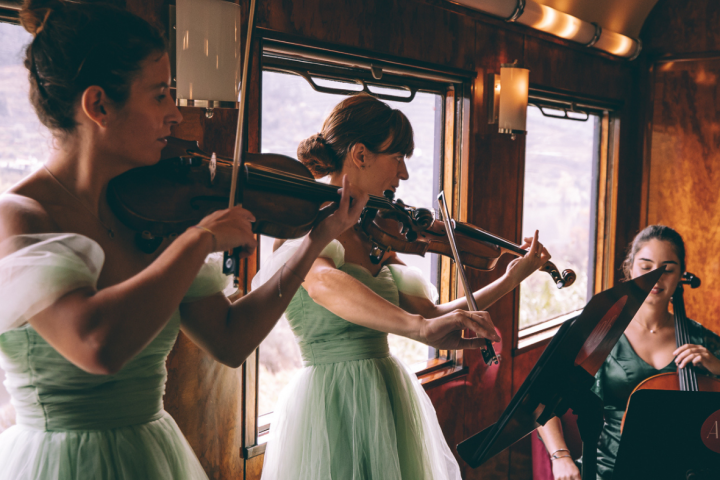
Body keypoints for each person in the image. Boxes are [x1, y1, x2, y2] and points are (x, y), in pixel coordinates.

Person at [0, 1, 374, 479]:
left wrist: (318, 238)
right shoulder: (22, 217)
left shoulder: (152, 213)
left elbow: (230, 339)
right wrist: (197, 240)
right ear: (99, 105)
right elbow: (96, 345)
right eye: (159, 96)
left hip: (150, 453)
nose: (175, 115)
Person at [254, 94, 554, 480]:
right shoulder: (302, 230)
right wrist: (418, 329)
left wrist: (511, 279)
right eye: (398, 158)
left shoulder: (371, 232)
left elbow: (429, 316)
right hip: (330, 401)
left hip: (387, 393)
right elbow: (324, 284)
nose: (404, 175)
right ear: (360, 154)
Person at [536, 225, 720, 480]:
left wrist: (718, 368)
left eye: (667, 269)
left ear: (680, 275)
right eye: (646, 267)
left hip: (685, 472)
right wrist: (561, 457)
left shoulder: (702, 340)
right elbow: (541, 400)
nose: (657, 277)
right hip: (611, 471)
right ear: (630, 268)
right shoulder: (599, 332)